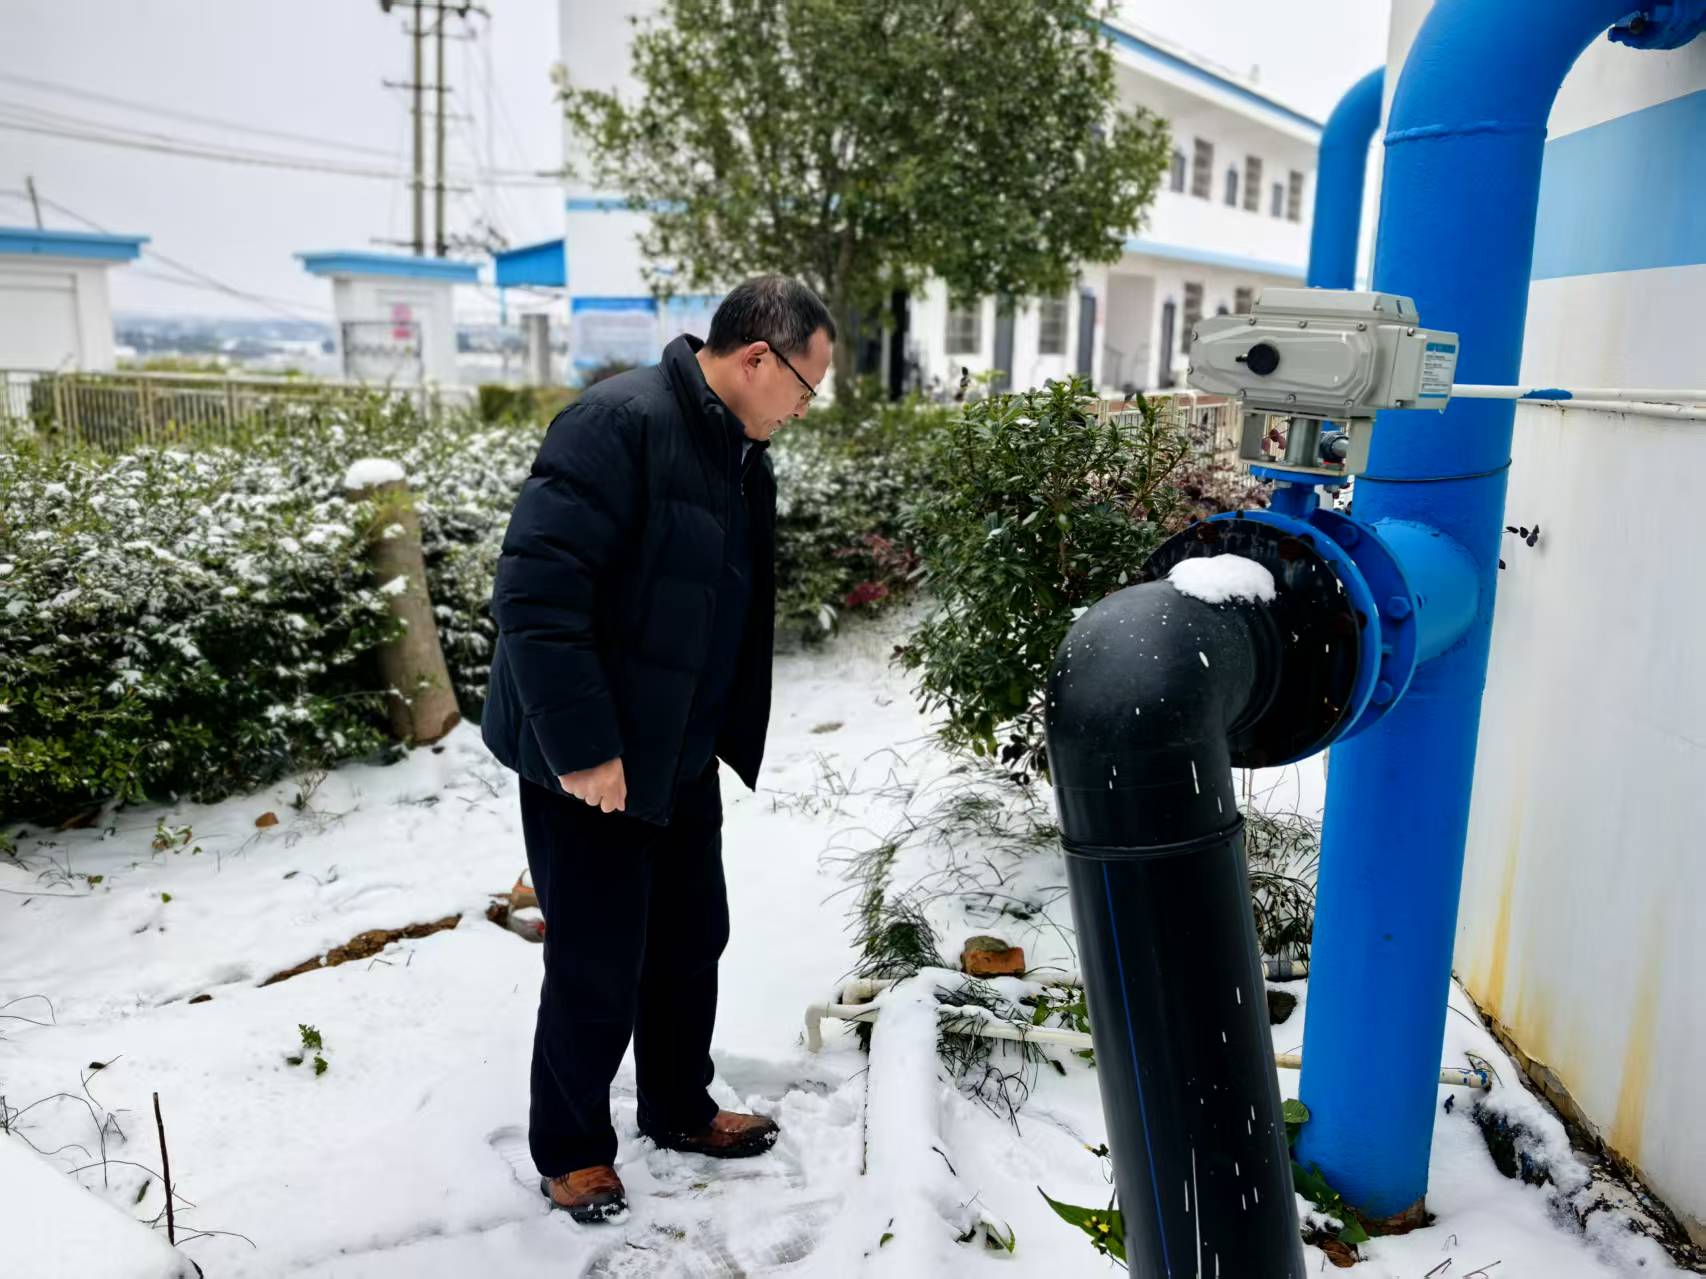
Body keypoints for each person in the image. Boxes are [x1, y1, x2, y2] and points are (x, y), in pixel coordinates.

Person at [482, 275, 835, 1222]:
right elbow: (535, 597)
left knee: (689, 937)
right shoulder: (614, 425)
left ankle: (679, 1105)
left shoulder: (741, 452)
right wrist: (584, 749)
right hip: (591, 756)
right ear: (758, 358)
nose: (806, 407)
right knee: (597, 956)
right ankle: (571, 1151)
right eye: (807, 387)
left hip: (678, 745)